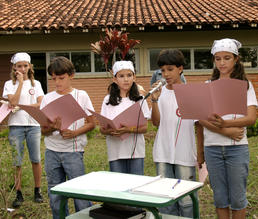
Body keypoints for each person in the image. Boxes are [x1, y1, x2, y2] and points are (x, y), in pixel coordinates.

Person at [198, 38, 258, 219]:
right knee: (220, 197)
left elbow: (251, 118)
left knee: (238, 198)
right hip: (212, 148)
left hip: (237, 149)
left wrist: (226, 124)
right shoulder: (208, 86)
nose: (222, 63)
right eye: (218, 58)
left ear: (236, 59)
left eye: (227, 58)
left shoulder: (245, 85)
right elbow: (201, 117)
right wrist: (225, 130)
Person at [40, 56, 96, 219]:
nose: (57, 82)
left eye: (61, 78)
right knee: (55, 192)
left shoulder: (81, 95)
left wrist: (74, 133)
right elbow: (43, 131)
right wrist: (52, 127)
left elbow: (92, 123)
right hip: (52, 151)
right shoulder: (47, 98)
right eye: (54, 78)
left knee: (79, 192)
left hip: (73, 151)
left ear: (71, 75)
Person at [150, 49, 197, 217]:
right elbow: (156, 122)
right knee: (165, 200)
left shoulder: (191, 92)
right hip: (163, 153)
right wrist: (155, 99)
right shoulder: (160, 92)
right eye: (162, 70)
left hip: (185, 153)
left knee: (186, 201)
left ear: (180, 68)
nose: (166, 74)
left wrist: (200, 153)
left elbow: (199, 124)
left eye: (170, 69)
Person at [2, 52, 44, 208]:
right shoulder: (9, 84)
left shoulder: (36, 84)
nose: (23, 69)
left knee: (36, 159)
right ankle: (18, 192)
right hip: (16, 126)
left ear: (30, 66)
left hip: (34, 125)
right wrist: (19, 83)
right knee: (17, 161)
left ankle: (37, 190)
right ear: (14, 67)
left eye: (25, 65)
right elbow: (12, 101)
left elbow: (40, 103)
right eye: (19, 66)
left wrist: (21, 107)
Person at [100, 60, 150, 175]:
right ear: (115, 79)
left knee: (136, 185)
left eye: (129, 75)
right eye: (121, 76)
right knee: (118, 186)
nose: (126, 79)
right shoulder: (108, 100)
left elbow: (145, 128)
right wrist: (110, 131)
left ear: (134, 77)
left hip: (135, 151)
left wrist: (128, 129)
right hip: (115, 151)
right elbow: (102, 129)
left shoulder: (140, 99)